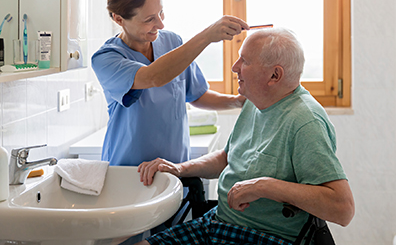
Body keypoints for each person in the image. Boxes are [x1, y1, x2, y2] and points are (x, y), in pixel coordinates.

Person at [136, 28, 355, 245]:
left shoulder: (305, 122)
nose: (234, 67)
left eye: (245, 61)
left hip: (264, 236)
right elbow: (226, 158)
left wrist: (264, 186)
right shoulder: (255, 101)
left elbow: (343, 209)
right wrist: (180, 168)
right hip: (218, 223)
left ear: (274, 75)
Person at [92, 0, 249, 167]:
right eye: (149, 19)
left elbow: (196, 95)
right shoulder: (107, 58)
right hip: (128, 172)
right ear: (118, 19)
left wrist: (237, 102)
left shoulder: (173, 42)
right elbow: (153, 77)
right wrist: (208, 35)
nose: (160, 24)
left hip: (175, 168)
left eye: (161, 13)